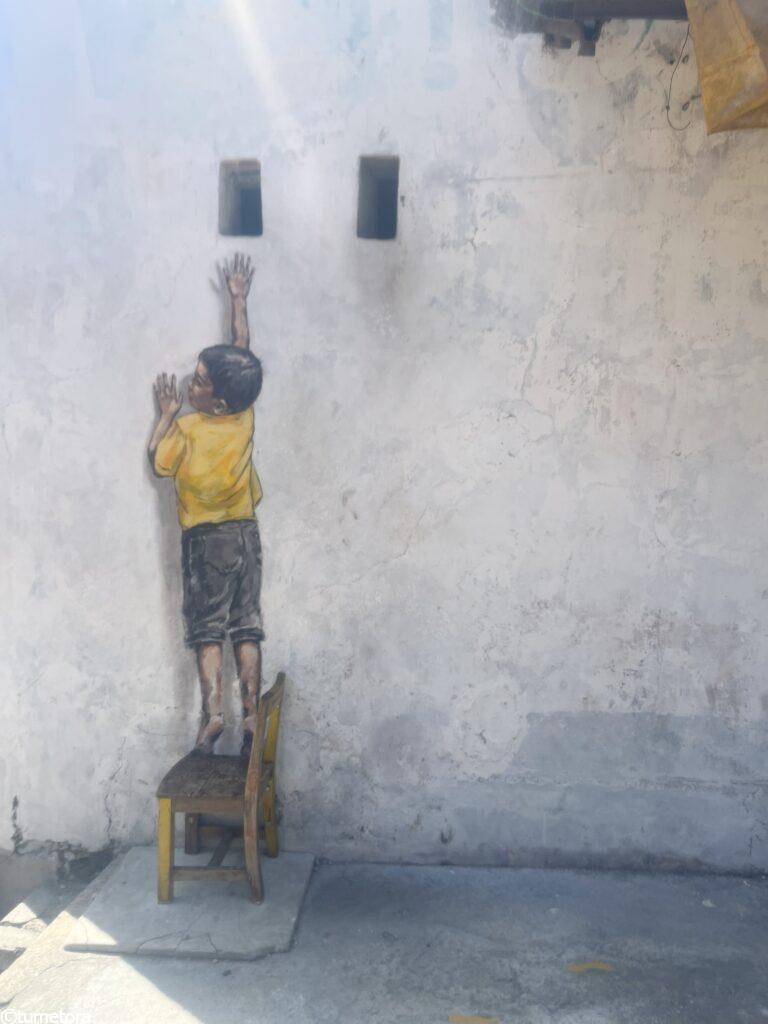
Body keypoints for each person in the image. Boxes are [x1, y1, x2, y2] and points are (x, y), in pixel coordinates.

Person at [148, 253, 264, 757]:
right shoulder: (241, 415)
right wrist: (238, 300)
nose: (190, 384)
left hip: (204, 542)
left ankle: (215, 713)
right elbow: (241, 354)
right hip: (245, 535)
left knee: (206, 630)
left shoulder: (189, 428)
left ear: (214, 402)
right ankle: (253, 715)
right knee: (247, 624)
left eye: (198, 382)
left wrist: (166, 415)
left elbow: (158, 463)